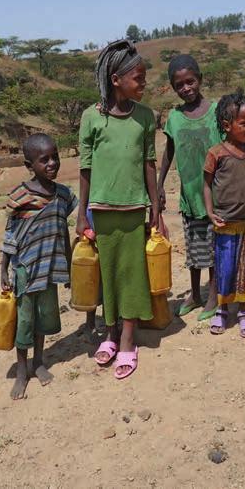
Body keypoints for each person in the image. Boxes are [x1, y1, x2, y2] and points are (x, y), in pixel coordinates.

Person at [77, 39, 160, 380]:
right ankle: (110, 334)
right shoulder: (91, 118)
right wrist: (81, 213)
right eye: (138, 78)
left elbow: (149, 164)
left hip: (133, 210)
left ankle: (128, 338)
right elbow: (85, 168)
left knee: (131, 274)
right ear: (115, 79)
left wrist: (155, 208)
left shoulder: (145, 117)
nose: (143, 84)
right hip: (100, 210)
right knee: (107, 275)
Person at [1, 133, 77, 400]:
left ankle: (39, 362)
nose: (52, 164)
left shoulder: (64, 195)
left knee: (44, 320)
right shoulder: (20, 196)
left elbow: (63, 232)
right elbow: (10, 236)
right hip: (25, 270)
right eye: (44, 160)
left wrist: (67, 267)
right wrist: (3, 271)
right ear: (29, 165)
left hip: (49, 270)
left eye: (54, 157)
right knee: (24, 322)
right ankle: (22, 372)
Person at [157, 54, 222, 321]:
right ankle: (195, 293)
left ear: (200, 79)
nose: (186, 89)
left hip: (216, 194)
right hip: (189, 195)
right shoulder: (174, 118)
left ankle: (214, 294)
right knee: (194, 247)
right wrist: (159, 185)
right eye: (179, 85)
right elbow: (169, 152)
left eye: (190, 82)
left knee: (214, 247)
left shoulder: (217, 111)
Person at [203, 89, 245, 338]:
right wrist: (210, 212)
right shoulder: (216, 153)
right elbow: (207, 184)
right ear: (227, 125)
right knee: (226, 268)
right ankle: (222, 309)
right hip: (225, 224)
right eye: (244, 123)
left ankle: (243, 311)